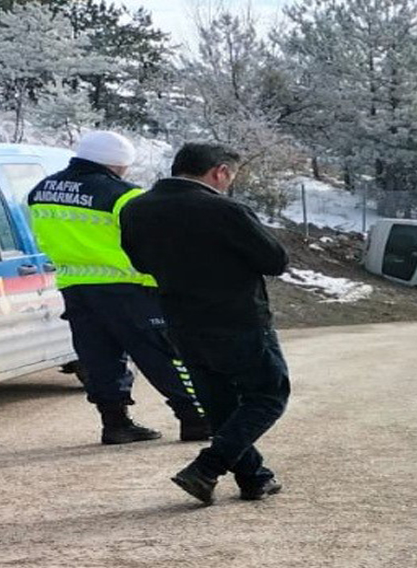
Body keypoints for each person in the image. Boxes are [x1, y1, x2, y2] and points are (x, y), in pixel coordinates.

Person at [120, 143, 290, 504]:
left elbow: (141, 263)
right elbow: (275, 260)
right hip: (238, 318)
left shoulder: (135, 209)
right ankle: (206, 468)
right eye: (232, 176)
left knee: (221, 404)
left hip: (181, 321)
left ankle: (254, 478)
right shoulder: (225, 210)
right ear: (220, 172)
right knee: (268, 395)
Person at [27, 131, 208, 446]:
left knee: (98, 355)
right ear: (118, 163)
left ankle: (115, 423)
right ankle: (194, 418)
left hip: (75, 286)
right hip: (129, 288)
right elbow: (150, 243)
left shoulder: (41, 190)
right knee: (162, 354)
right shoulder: (123, 195)